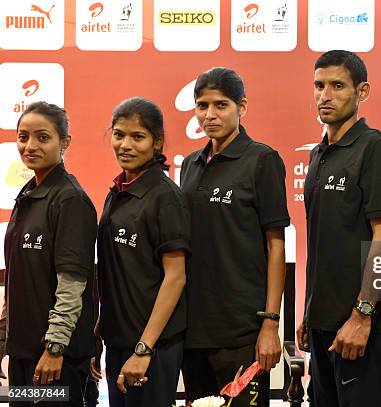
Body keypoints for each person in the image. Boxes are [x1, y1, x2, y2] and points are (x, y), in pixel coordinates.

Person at [180, 67, 290, 407]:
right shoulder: (190, 164)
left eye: (221, 105)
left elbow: (276, 245)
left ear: (242, 107)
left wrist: (271, 324)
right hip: (192, 329)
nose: (209, 115)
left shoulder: (262, 159)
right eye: (202, 105)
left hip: (243, 331)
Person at [296, 50, 381, 407]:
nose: (325, 95)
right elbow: (323, 241)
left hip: (358, 324)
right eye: (319, 85)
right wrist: (310, 311)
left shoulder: (375, 147)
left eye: (337, 86)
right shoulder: (317, 154)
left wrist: (362, 315)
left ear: (362, 91)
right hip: (322, 320)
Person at [96, 97, 190, 407]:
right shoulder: (117, 192)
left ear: (157, 142)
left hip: (152, 347)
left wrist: (144, 349)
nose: (125, 144)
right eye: (119, 134)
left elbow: (175, 278)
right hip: (119, 340)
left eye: (138, 136)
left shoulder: (165, 197)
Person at [2, 101, 97, 406]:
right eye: (23, 137)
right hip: (22, 356)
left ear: (64, 142)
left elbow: (72, 283)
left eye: (43, 138)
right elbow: (20, 278)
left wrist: (55, 349)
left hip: (54, 361)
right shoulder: (27, 194)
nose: (30, 146)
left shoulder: (70, 199)